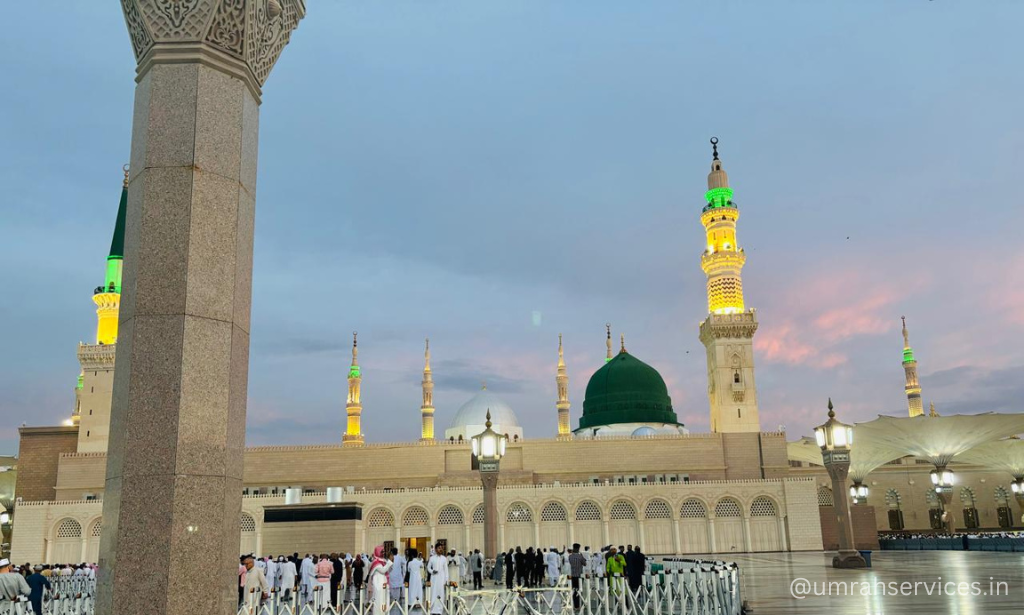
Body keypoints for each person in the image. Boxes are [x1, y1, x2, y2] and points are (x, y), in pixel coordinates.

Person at [367, 545, 393, 614]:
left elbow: (388, 570)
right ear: (378, 552)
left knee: (385, 600)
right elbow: (383, 570)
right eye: (382, 551)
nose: (383, 553)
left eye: (384, 551)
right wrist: (389, 562)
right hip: (378, 584)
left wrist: (390, 563)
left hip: (384, 584)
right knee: (379, 601)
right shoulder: (376, 562)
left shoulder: (383, 561)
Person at [426, 544, 449, 615]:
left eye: (441, 548)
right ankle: (432, 610)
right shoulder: (432, 558)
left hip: (441, 580)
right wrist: (432, 571)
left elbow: (446, 570)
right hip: (434, 579)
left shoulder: (444, 559)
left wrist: (446, 581)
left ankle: (440, 610)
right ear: (436, 549)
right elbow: (428, 567)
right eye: (439, 548)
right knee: (433, 593)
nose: (441, 549)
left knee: (441, 594)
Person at [568, 544, 587, 612]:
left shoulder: (570, 556)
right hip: (579, 576)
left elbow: (570, 563)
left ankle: (575, 605)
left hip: (573, 576)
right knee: (579, 591)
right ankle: (579, 605)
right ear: (578, 549)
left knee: (574, 590)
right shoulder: (580, 557)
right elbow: (585, 564)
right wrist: (582, 557)